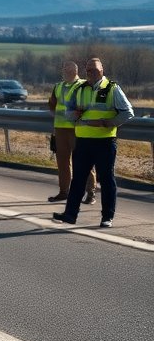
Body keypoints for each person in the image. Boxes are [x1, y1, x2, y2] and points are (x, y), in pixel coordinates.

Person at [51, 57, 134, 228]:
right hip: (83, 141)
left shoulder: (112, 88)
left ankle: (107, 217)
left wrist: (106, 122)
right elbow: (68, 112)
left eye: (94, 70)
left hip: (104, 141)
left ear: (102, 70)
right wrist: (74, 114)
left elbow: (128, 112)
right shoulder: (80, 89)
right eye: (88, 70)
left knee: (106, 179)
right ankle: (70, 215)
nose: (91, 73)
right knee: (78, 180)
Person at [47, 60, 95, 203]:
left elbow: (88, 106)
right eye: (64, 70)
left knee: (83, 161)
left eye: (68, 70)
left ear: (75, 72)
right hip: (61, 129)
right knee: (62, 162)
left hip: (78, 129)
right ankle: (64, 192)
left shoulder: (83, 85)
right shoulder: (58, 86)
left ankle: (91, 193)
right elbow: (52, 105)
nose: (65, 72)